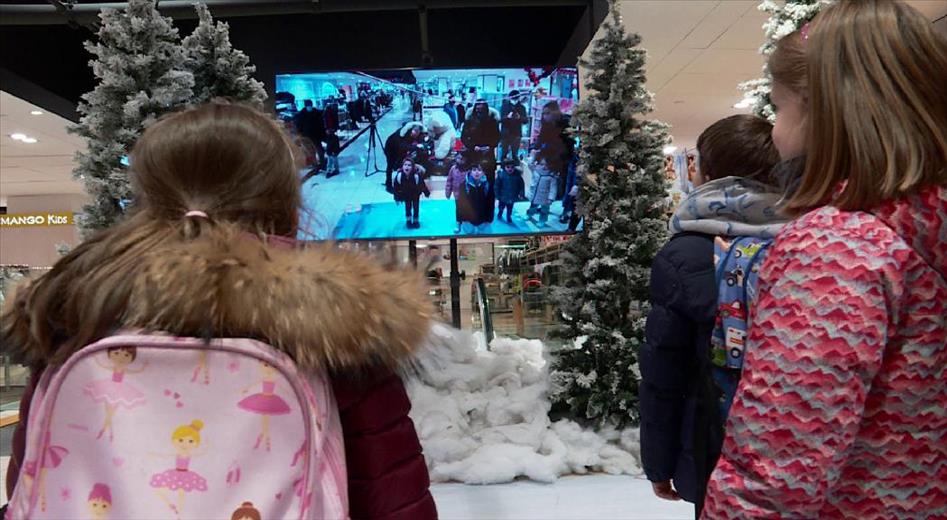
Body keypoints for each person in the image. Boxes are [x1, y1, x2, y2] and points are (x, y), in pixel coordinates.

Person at [2, 102, 438, 519]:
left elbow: (32, 478)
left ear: (148, 195)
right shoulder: (335, 318)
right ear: (287, 199)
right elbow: (391, 497)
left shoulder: (79, 304)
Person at [703, 2, 947, 518]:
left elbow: (774, 475)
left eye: (779, 109)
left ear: (822, 112)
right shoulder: (921, 230)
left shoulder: (836, 249)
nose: (773, 132)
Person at [640, 114, 784, 516]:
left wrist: (659, 462)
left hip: (715, 441)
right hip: (796, 443)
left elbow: (665, 369)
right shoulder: (808, 236)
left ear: (706, 172)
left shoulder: (685, 253)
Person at [384, 121, 424, 192]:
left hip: (401, 148)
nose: (415, 137)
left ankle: (403, 182)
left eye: (416, 135)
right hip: (391, 148)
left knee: (404, 162)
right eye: (413, 135)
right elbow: (402, 146)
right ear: (410, 131)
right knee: (390, 165)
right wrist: (415, 147)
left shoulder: (417, 132)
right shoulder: (401, 135)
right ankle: (388, 185)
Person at [393, 157, 431, 229]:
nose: (407, 167)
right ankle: (408, 221)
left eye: (409, 165)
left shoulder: (416, 176)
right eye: (405, 165)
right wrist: (396, 198)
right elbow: (396, 188)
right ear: (402, 166)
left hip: (415, 195)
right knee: (407, 208)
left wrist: (426, 193)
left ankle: (416, 221)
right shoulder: (399, 176)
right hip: (406, 196)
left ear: (412, 167)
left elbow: (422, 185)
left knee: (416, 208)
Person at [456, 163, 492, 234]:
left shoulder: (487, 185)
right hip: (468, 218)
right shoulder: (464, 185)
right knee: (469, 233)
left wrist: (489, 218)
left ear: (483, 172)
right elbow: (460, 204)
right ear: (470, 171)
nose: (476, 172)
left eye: (479, 170)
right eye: (474, 170)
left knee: (483, 235)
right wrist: (460, 219)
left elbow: (490, 203)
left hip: (482, 218)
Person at [293, 99, 326, 177]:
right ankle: (316, 166)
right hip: (306, 136)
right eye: (308, 105)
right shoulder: (301, 115)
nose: (309, 106)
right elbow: (298, 126)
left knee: (320, 150)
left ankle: (322, 163)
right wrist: (300, 134)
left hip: (316, 135)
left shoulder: (317, 113)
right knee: (311, 152)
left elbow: (321, 124)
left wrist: (323, 134)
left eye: (310, 105)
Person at [525, 153, 559, 227]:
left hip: (545, 197)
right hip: (535, 195)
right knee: (532, 206)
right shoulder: (536, 170)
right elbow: (529, 164)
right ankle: (529, 214)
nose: (544, 167)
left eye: (546, 165)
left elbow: (553, 188)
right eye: (542, 164)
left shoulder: (552, 175)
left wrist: (551, 198)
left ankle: (542, 220)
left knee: (544, 210)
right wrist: (533, 156)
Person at [445, 151, 471, 233]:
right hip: (457, 194)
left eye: (462, 159)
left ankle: (466, 220)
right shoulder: (453, 169)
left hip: (468, 194)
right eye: (459, 158)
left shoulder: (469, 170)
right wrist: (448, 192)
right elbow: (449, 180)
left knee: (467, 207)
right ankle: (458, 222)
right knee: (458, 208)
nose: (460, 160)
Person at [499, 91, 528, 162]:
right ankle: (503, 169)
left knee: (515, 154)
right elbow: (500, 120)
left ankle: (515, 170)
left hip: (516, 134)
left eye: (516, 98)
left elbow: (525, 121)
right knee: (504, 153)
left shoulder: (522, 108)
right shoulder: (504, 106)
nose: (514, 100)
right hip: (505, 133)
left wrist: (519, 117)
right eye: (513, 98)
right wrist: (507, 117)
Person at [495, 159, 525, 223]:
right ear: (504, 167)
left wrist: (521, 193)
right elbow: (497, 186)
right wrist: (497, 195)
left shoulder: (517, 176)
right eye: (508, 167)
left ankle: (508, 216)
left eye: (512, 167)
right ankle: (500, 213)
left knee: (510, 208)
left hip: (512, 196)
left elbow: (521, 186)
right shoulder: (501, 175)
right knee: (501, 207)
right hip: (502, 196)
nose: (510, 169)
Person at [323, 96, 341, 178]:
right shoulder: (332, 110)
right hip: (332, 132)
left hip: (331, 133)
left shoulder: (328, 112)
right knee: (333, 154)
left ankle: (330, 170)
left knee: (331, 154)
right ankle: (334, 169)